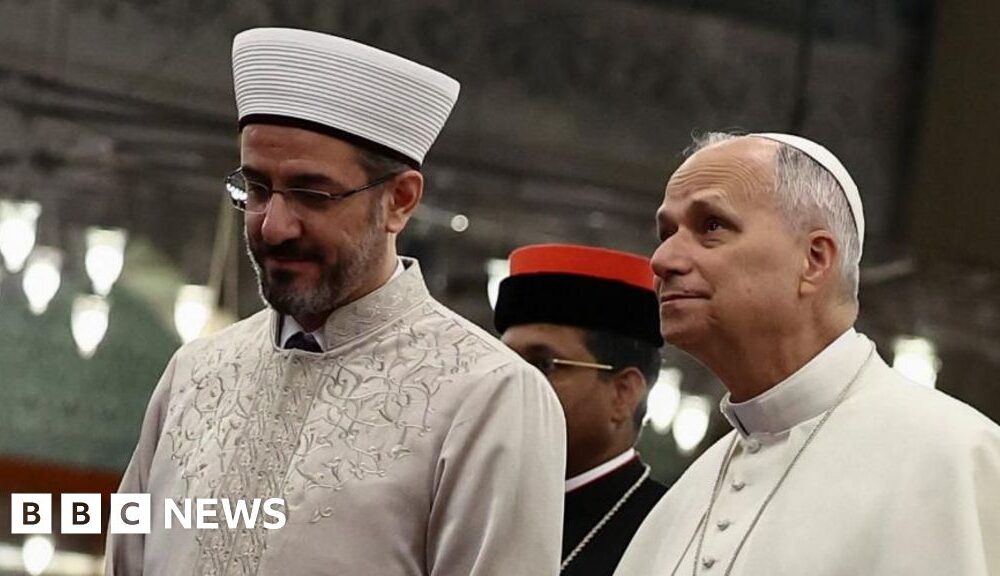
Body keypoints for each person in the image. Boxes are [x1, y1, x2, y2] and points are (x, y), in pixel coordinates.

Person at [106, 28, 566, 576]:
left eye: (311, 193)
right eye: (256, 189)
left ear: (399, 201)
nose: (273, 226)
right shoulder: (196, 374)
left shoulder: (488, 396)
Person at [615, 132, 1000, 575]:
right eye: (667, 232)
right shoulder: (686, 497)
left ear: (814, 260)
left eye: (711, 226)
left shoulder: (949, 456)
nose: (663, 259)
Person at [494, 243, 668, 576]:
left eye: (541, 365)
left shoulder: (673, 527)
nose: (509, 384)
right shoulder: (468, 504)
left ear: (623, 393)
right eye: (504, 364)